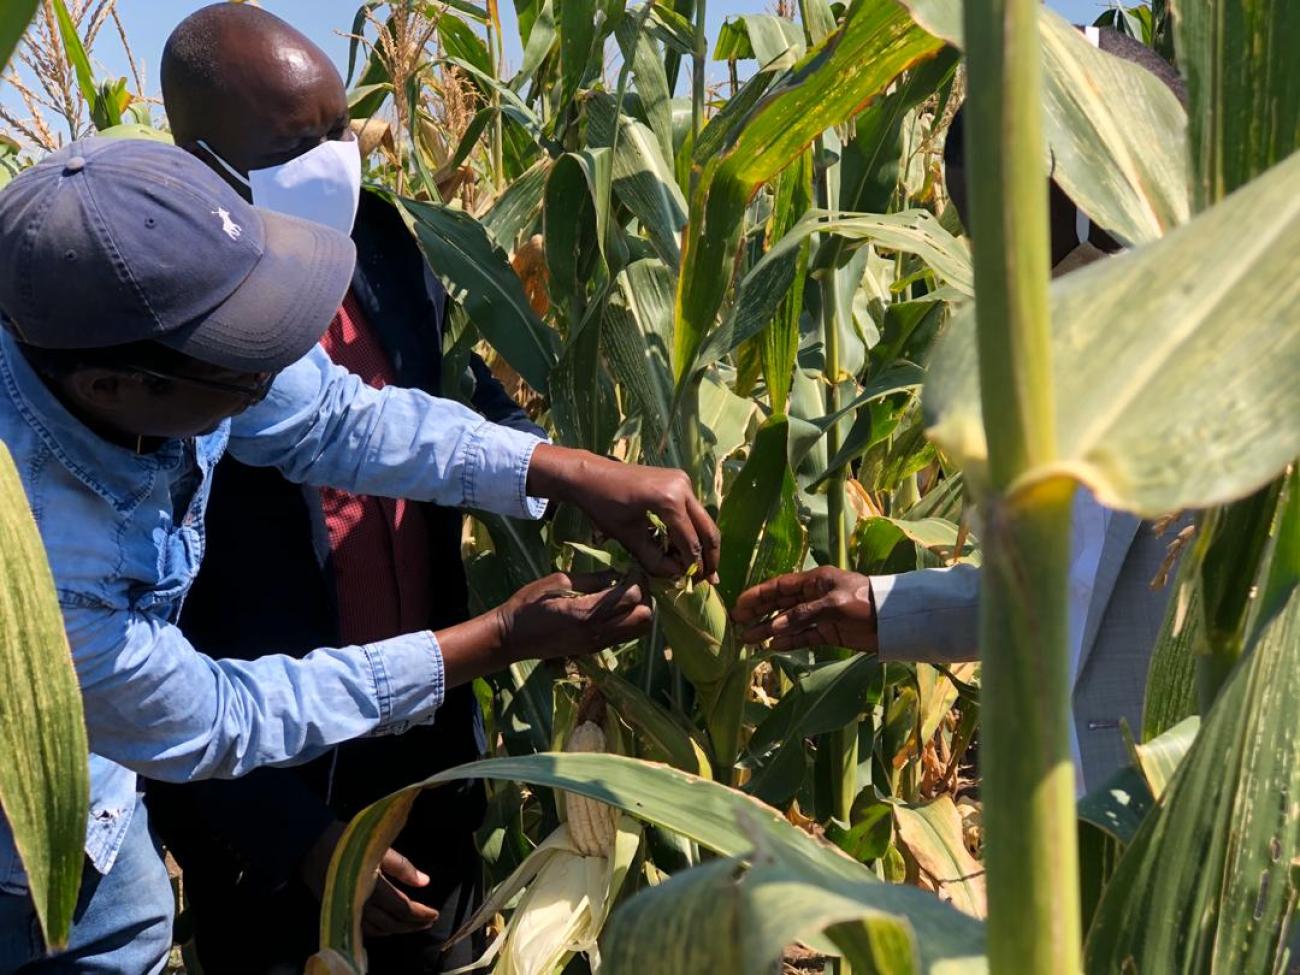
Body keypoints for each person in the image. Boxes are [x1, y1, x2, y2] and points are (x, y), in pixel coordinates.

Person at [0, 137, 716, 975]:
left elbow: (337, 419)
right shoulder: (43, 567)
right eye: (247, 373)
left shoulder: (143, 340)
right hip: (34, 844)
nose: (275, 375)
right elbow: (222, 717)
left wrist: (576, 473)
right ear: (116, 390)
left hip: (106, 812)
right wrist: (503, 636)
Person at [138, 6, 544, 971]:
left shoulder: (383, 244)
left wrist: (555, 474)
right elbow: (149, 664)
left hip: (434, 730)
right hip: (273, 782)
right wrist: (299, 841)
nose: (337, 156)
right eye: (297, 140)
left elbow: (448, 390)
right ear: (198, 160)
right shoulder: (154, 318)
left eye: (339, 127)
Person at [733, 29, 1190, 796]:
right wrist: (880, 609)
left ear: (1119, 179)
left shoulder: (1256, 387)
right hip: (1083, 849)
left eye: (1017, 233)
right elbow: (1055, 599)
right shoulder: (1066, 386)